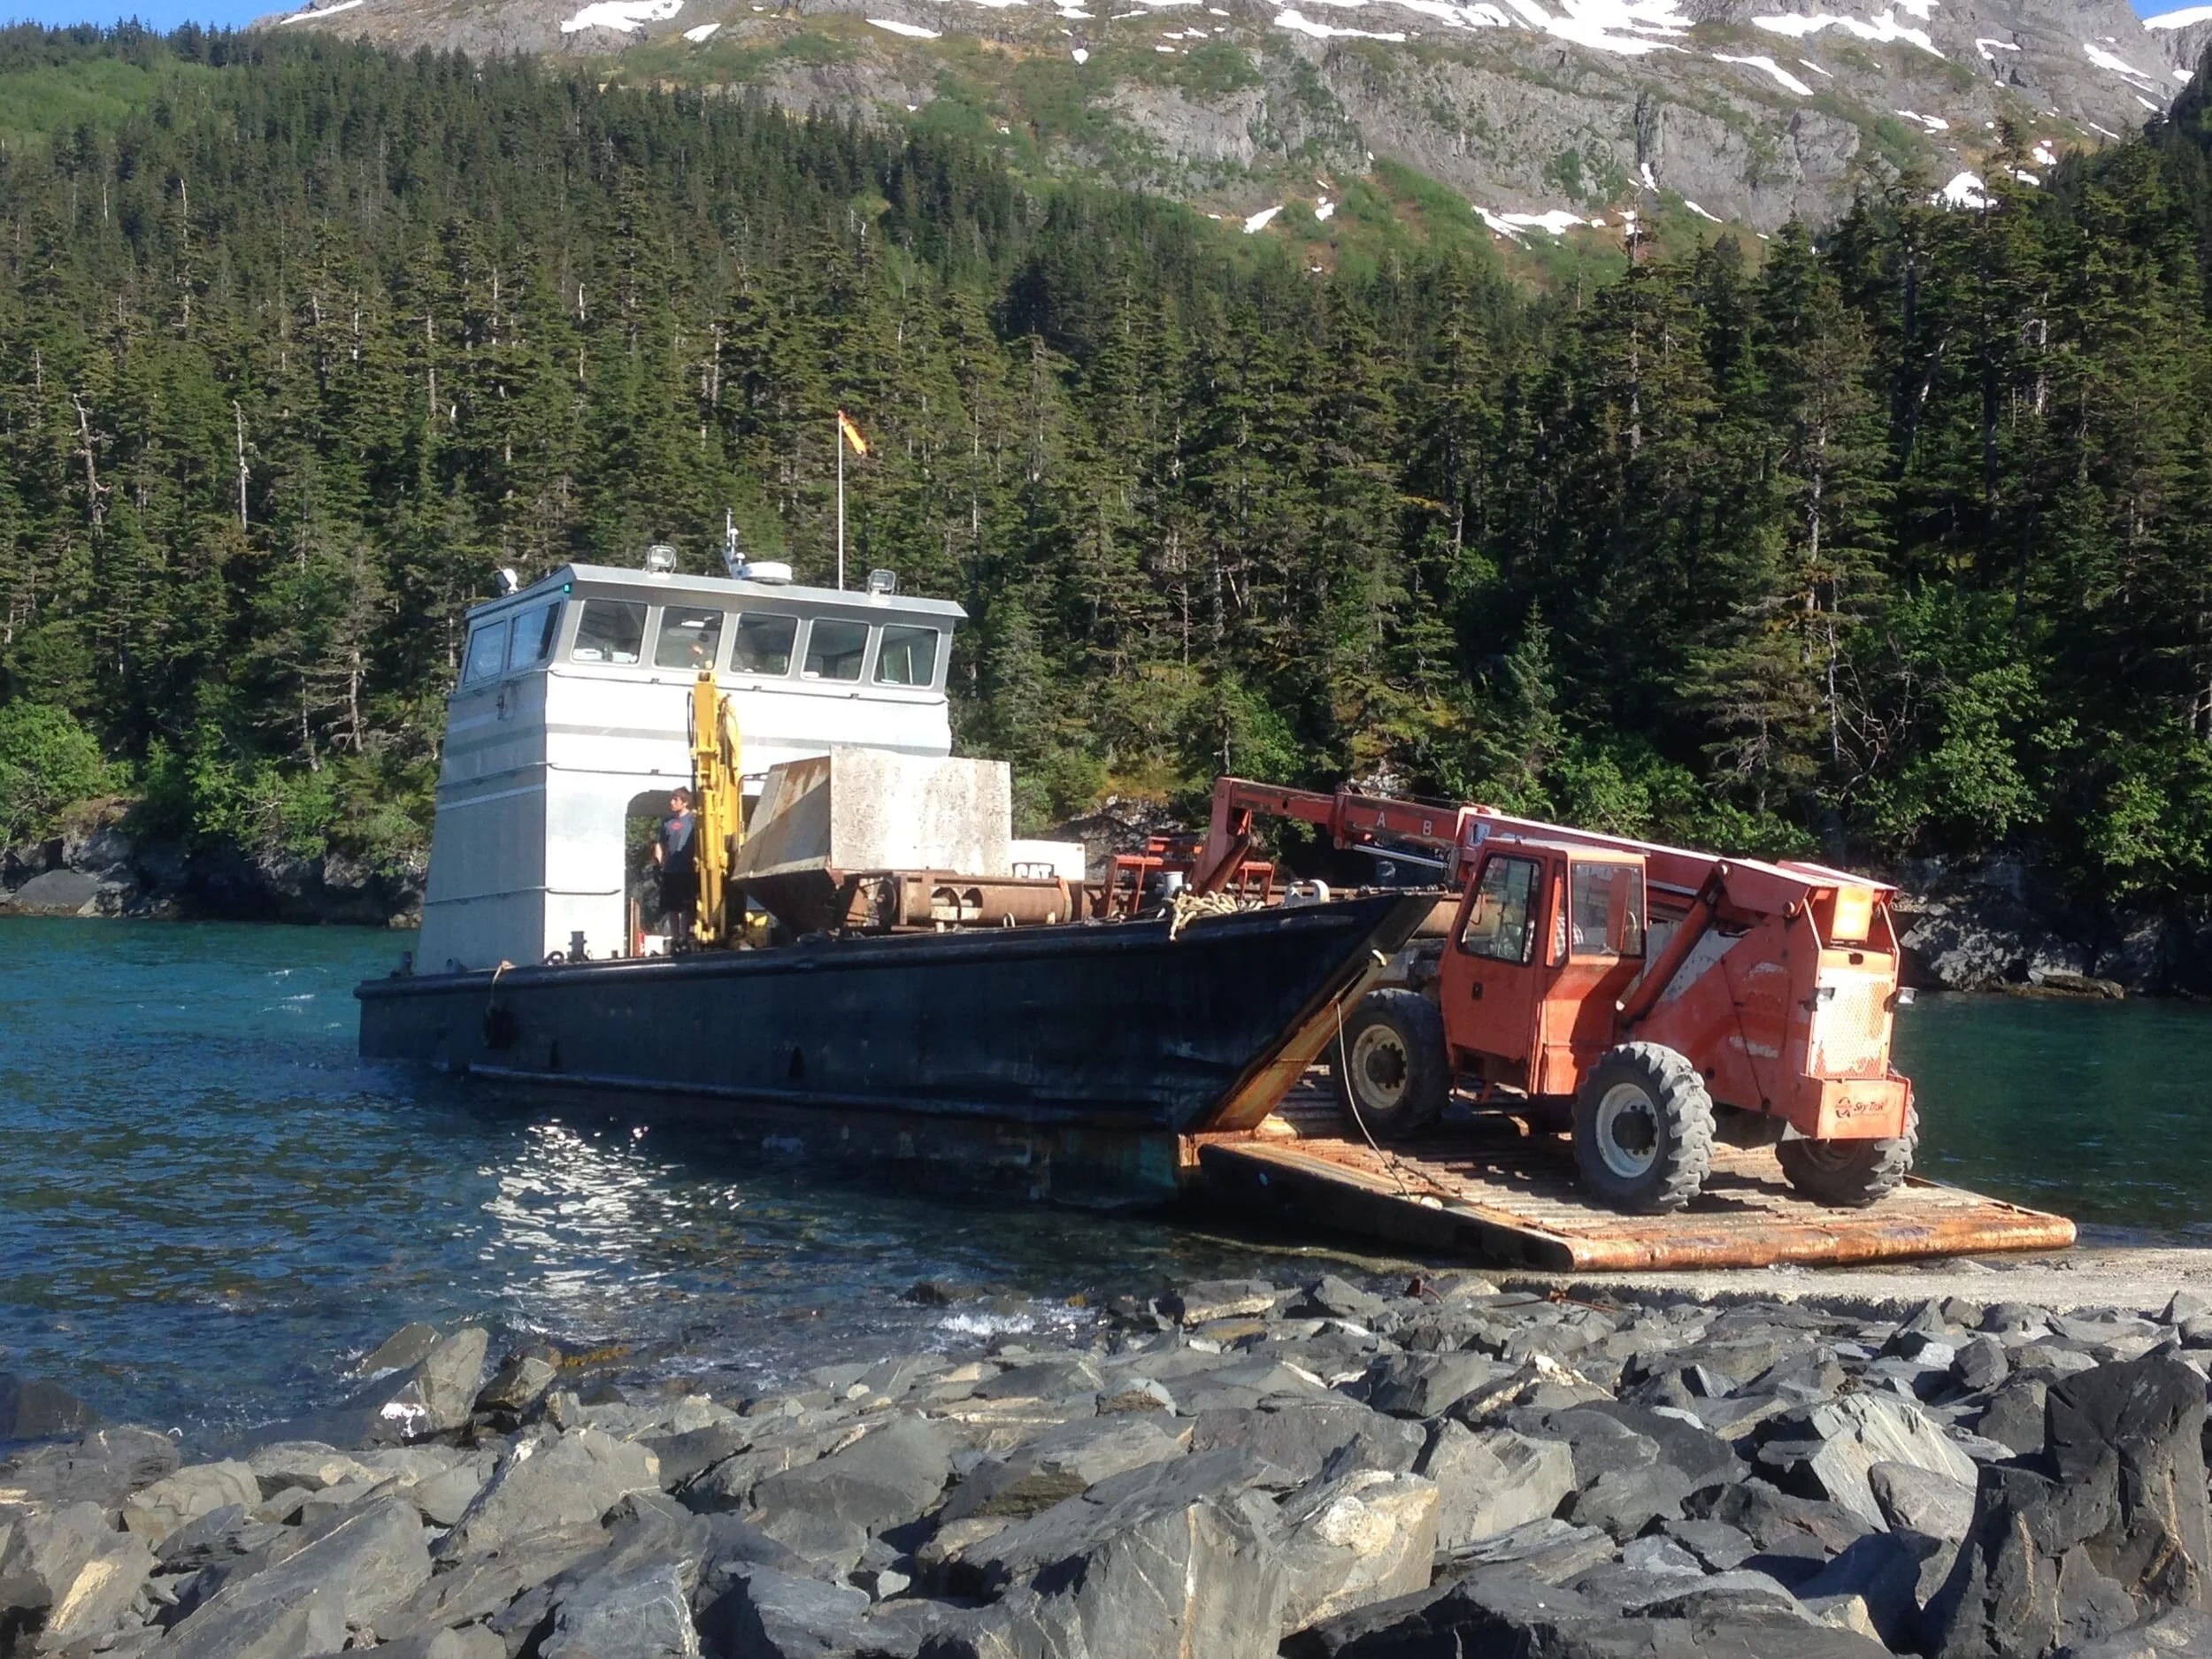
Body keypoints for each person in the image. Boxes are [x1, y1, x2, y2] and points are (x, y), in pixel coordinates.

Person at [654, 789, 699, 947]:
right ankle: (675, 939)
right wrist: (658, 863)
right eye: (672, 800)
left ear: (684, 802)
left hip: (687, 870)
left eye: (675, 800)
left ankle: (684, 937)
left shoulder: (694, 821)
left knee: (686, 907)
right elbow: (660, 843)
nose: (672, 803)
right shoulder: (667, 822)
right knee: (672, 908)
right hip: (670, 870)